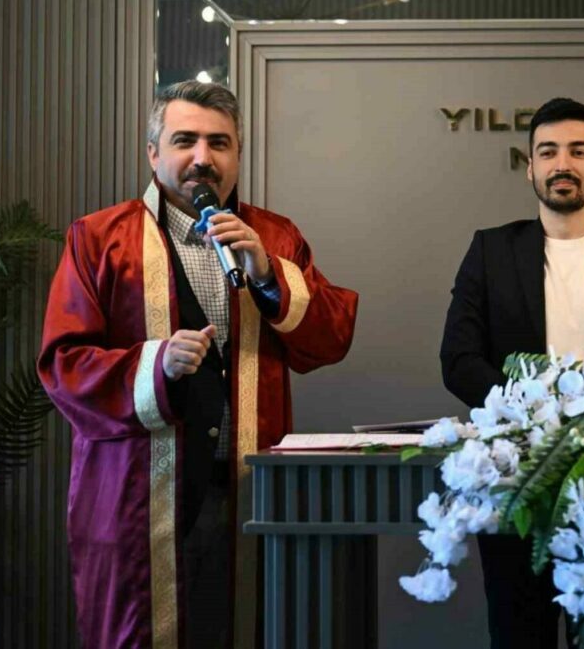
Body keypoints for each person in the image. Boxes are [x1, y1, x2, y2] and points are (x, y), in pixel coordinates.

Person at [37, 81, 358, 648]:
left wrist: (269, 275)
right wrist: (156, 363)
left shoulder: (275, 236)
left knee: (248, 627)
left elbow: (330, 339)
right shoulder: (99, 239)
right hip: (137, 496)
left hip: (250, 490)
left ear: (238, 155)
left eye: (220, 143)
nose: (203, 158)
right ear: (153, 153)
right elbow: (64, 366)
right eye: (185, 140)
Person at [440, 97, 584, 648]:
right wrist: (534, 410)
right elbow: (458, 359)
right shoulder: (490, 250)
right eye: (548, 152)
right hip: (514, 475)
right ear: (530, 167)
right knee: (518, 633)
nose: (562, 164)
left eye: (578, 151)